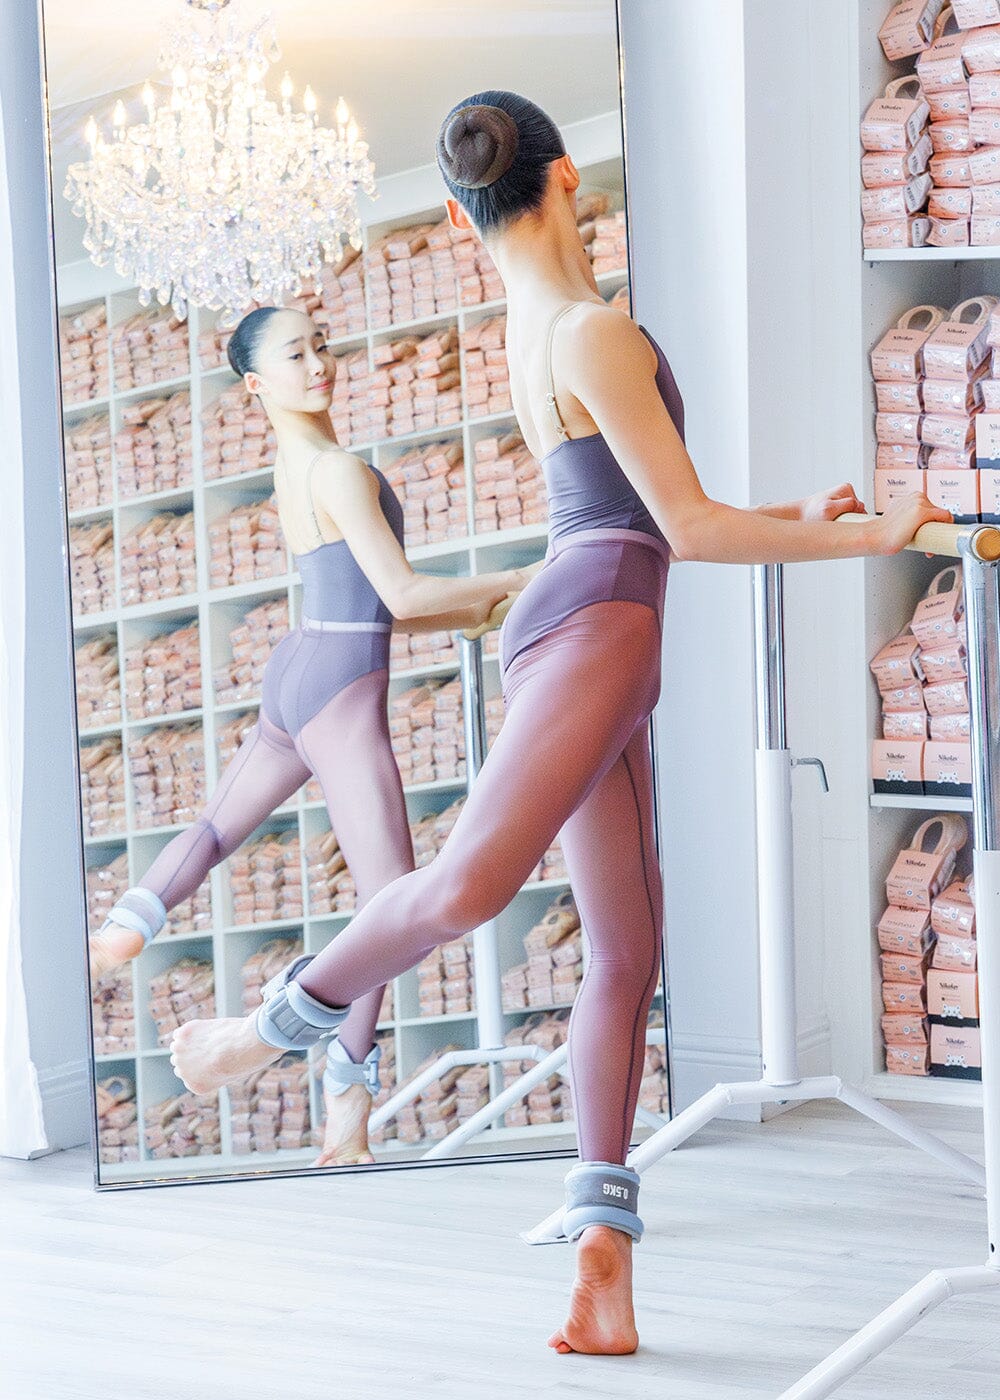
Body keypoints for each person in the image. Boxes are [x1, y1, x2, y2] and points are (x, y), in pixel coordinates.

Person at [170, 92, 951, 1352]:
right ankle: (254, 1038)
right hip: (595, 631)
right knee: (471, 883)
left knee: (625, 949)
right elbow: (683, 529)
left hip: (590, 621)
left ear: (456, 216)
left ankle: (603, 1259)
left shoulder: (537, 330)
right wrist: (873, 535)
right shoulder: (593, 329)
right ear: (567, 175)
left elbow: (637, 511)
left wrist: (797, 517)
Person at [90, 303, 532, 1165]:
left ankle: (126, 926)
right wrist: (528, 577)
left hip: (298, 671)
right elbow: (403, 597)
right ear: (257, 384)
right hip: (340, 691)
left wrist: (488, 603)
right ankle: (345, 1099)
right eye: (296, 355)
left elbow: (379, 605)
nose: (319, 363)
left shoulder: (295, 468)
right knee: (391, 906)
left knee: (218, 826)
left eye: (321, 345)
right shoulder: (337, 470)